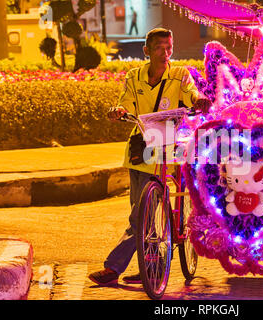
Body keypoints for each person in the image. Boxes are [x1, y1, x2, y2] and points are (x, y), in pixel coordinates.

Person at [88, 28, 211, 286]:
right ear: (146, 51)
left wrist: (199, 100)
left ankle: (114, 267)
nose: (165, 53)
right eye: (158, 48)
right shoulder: (134, 78)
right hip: (141, 150)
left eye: (169, 47)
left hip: (168, 148)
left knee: (143, 214)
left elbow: (192, 93)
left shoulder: (179, 75)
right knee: (141, 214)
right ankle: (151, 265)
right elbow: (126, 104)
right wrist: (118, 111)